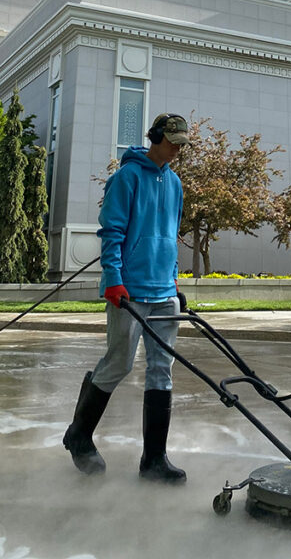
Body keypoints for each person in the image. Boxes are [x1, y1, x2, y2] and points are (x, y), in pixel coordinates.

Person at [63, 112, 190, 484]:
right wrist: (114, 280)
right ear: (155, 137)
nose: (179, 149)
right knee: (119, 362)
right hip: (129, 290)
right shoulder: (127, 178)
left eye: (183, 143)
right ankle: (79, 435)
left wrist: (174, 282)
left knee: (161, 369)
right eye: (173, 141)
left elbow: (170, 238)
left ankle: (154, 461)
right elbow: (112, 232)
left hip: (163, 292)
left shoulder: (176, 184)